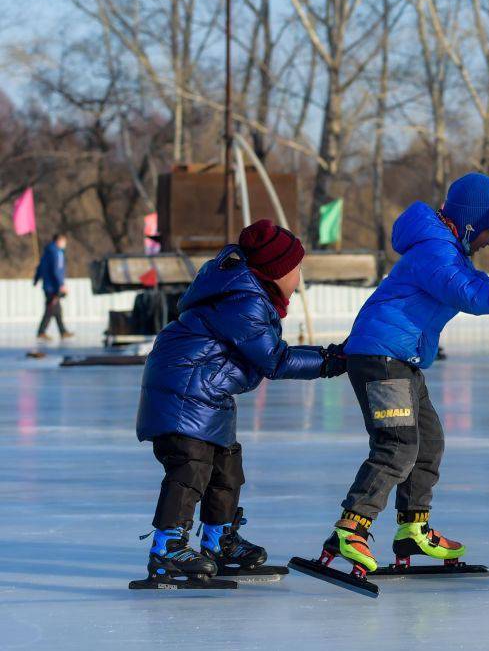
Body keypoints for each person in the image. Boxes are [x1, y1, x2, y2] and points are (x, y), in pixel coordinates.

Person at [306, 173, 489, 579]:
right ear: (473, 223)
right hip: (380, 357)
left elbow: (485, 287)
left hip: (399, 358)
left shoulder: (449, 253)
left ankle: (412, 529)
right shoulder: (436, 252)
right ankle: (350, 528)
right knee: (397, 445)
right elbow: (476, 297)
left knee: (428, 441)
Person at [133, 220, 344, 587]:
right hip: (184, 393)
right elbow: (274, 360)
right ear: (276, 271)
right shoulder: (244, 300)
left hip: (206, 396)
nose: (300, 278)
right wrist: (330, 361)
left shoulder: (247, 294)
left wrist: (330, 356)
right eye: (297, 269)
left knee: (226, 468)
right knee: (190, 468)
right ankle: (166, 548)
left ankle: (218, 543)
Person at [33, 233, 73, 341]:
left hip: (47, 285)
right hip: (53, 286)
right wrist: (61, 285)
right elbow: (57, 270)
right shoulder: (57, 253)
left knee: (57, 309)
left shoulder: (47, 252)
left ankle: (63, 331)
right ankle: (41, 332)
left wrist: (36, 279)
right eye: (64, 241)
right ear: (59, 241)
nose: (65, 244)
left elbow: (40, 266)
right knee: (50, 309)